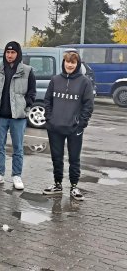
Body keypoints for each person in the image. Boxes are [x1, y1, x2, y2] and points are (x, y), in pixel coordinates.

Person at [43, 50, 94, 201]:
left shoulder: (84, 82)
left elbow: (88, 105)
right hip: (55, 128)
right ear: (63, 62)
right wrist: (49, 119)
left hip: (74, 129)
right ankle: (57, 185)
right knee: (56, 158)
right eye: (67, 61)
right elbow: (47, 102)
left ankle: (74, 187)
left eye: (73, 62)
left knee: (74, 159)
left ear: (77, 64)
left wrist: (81, 124)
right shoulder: (55, 80)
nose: (69, 65)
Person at [0, 41, 36, 190]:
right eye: (7, 52)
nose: (10, 55)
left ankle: (17, 175)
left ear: (18, 53)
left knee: (18, 147)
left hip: (18, 117)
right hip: (1, 116)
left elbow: (32, 93)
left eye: (13, 52)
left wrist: (25, 105)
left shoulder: (27, 71)